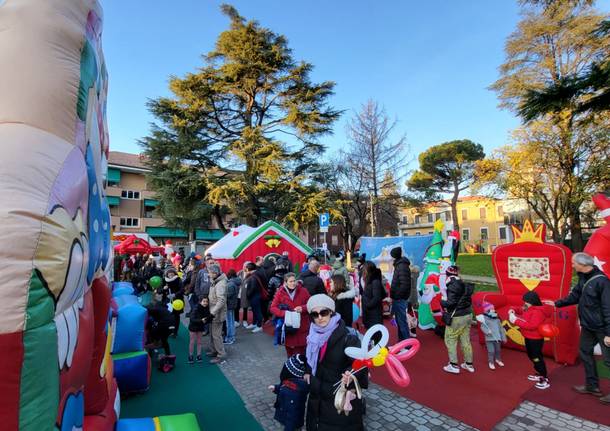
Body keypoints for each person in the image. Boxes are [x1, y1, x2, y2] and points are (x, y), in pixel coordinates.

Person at [303, 294, 367, 431]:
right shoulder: (313, 334)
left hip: (338, 396)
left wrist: (350, 376)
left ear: (332, 312)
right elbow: (310, 357)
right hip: (317, 395)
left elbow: (361, 364)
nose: (319, 317)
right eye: (315, 314)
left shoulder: (348, 337)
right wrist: (308, 371)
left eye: (324, 312)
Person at [553, 252, 610, 402]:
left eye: (573, 263)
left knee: (609, 360)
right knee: (585, 353)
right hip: (588, 326)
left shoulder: (602, 282)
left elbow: (608, 308)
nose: (572, 265)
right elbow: (575, 296)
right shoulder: (583, 278)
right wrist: (556, 304)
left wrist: (609, 333)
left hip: (603, 329)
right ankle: (592, 386)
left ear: (583, 264)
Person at [509, 291, 551, 389]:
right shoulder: (528, 307)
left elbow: (532, 326)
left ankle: (544, 378)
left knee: (536, 357)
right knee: (531, 355)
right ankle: (539, 373)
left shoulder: (538, 312)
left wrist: (516, 320)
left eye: (526, 301)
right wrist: (512, 310)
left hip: (535, 339)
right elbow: (520, 309)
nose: (524, 303)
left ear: (532, 301)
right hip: (528, 337)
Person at [441, 265, 475, 374]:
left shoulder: (452, 285)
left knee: (450, 339)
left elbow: (451, 303)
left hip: (456, 317)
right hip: (468, 314)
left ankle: (453, 365)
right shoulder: (463, 284)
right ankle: (468, 364)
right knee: (465, 340)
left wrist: (442, 302)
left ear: (448, 274)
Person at [270, 273, 311, 356]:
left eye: (294, 281)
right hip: (289, 327)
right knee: (290, 353)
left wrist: (302, 308)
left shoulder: (303, 291)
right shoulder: (280, 292)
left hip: (302, 326)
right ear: (285, 282)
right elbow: (273, 308)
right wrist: (285, 313)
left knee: (301, 353)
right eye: (290, 281)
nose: (293, 283)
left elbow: (311, 304)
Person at [268, 354, 310, 431]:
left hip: (291, 424)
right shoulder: (291, 384)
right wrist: (276, 388)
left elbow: (292, 416)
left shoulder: (294, 392)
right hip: (287, 417)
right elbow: (283, 388)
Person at [207, 264, 228, 364]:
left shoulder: (220, 284)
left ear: (215, 273)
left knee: (216, 335)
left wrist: (213, 312)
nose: (208, 274)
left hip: (217, 314)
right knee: (212, 333)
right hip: (213, 312)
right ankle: (214, 350)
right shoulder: (215, 281)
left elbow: (221, 300)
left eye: (210, 272)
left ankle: (221, 354)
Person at [476, 301, 506, 370]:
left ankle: (498, 359)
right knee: (491, 351)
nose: (493, 310)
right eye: (491, 309)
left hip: (497, 338)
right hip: (489, 339)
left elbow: (501, 329)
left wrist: (503, 337)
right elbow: (482, 327)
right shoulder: (485, 319)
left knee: (498, 350)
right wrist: (487, 331)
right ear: (487, 311)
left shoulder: (497, 319)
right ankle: (491, 362)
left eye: (493, 309)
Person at [389, 247, 411, 342]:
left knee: (402, 321)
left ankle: (406, 343)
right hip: (398, 298)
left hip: (400, 298)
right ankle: (402, 341)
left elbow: (404, 284)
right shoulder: (399, 265)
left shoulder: (401, 266)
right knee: (399, 321)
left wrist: (397, 295)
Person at [145, 289, 175, 357]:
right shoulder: (164, 308)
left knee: (153, 332)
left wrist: (141, 307)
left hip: (165, 324)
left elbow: (148, 310)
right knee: (164, 339)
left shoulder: (156, 309)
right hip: (172, 324)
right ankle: (168, 354)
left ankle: (154, 345)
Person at [361, 261, 385, 330]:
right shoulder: (369, 280)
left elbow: (377, 297)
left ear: (368, 270)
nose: (363, 272)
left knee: (375, 334)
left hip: (374, 314)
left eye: (364, 270)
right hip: (370, 313)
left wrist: (368, 305)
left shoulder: (375, 281)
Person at [188, 297, 210, 364]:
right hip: (193, 327)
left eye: (206, 301)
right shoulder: (196, 308)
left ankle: (198, 355)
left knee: (199, 342)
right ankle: (190, 356)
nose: (205, 303)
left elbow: (207, 318)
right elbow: (192, 319)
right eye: (204, 301)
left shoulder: (206, 309)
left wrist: (209, 318)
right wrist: (201, 320)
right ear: (200, 302)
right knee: (192, 342)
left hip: (200, 327)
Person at [163, 267, 184, 337]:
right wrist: (163, 289)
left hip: (177, 301)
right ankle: (169, 330)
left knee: (176, 316)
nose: (170, 274)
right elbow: (160, 290)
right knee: (168, 316)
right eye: (169, 273)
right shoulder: (165, 280)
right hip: (168, 301)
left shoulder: (178, 279)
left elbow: (182, 290)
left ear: (174, 273)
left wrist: (174, 294)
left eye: (172, 273)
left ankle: (175, 332)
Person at [245, 262, 264, 332]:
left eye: (246, 268)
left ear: (248, 268)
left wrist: (248, 294)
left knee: (257, 311)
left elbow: (253, 288)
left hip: (255, 296)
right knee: (255, 310)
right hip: (256, 295)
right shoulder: (256, 274)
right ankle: (254, 323)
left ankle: (259, 325)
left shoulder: (253, 276)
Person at [224, 269, 240, 345]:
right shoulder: (236, 282)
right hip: (233, 304)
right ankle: (232, 337)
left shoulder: (230, 284)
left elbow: (227, 296)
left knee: (229, 322)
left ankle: (230, 338)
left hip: (229, 305)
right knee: (231, 322)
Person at [238, 261, 251, 328]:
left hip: (245, 293)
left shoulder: (251, 274)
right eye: (244, 266)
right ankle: (236, 321)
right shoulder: (240, 273)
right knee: (237, 307)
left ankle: (245, 320)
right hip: (238, 292)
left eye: (247, 266)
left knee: (245, 307)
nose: (245, 268)